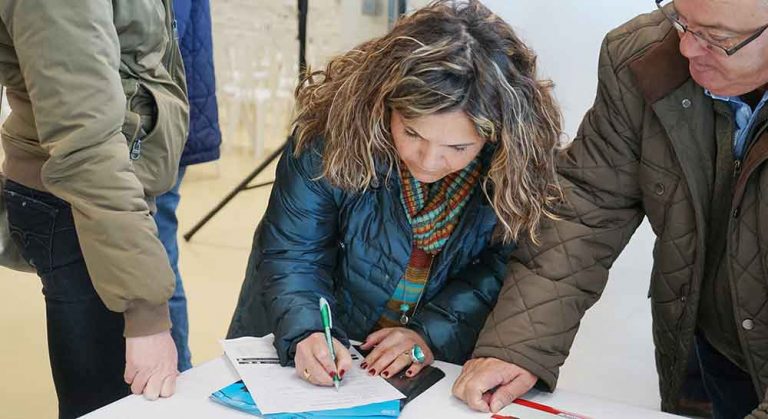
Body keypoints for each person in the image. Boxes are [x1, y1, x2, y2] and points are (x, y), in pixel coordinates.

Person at [451, 0, 768, 417]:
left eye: (717, 38)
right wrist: (518, 347)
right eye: (681, 19)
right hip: (711, 340)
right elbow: (587, 203)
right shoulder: (645, 55)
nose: (687, 48)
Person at [227, 0, 562, 387]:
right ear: (385, 102)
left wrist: (429, 334)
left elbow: (500, 267)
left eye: (458, 149)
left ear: (495, 137)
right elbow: (294, 254)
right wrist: (306, 331)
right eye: (413, 133)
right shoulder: (330, 138)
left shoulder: (512, 168)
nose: (430, 161)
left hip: (420, 363)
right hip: (302, 349)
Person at [0, 1, 188, 417]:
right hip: (84, 206)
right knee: (109, 405)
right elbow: (84, 144)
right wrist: (144, 312)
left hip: (112, 197)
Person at [154, 0, 223, 372]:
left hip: (153, 127)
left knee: (154, 260)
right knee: (158, 253)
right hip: (170, 119)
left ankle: (175, 376)